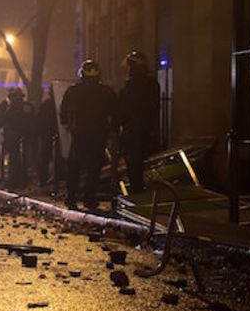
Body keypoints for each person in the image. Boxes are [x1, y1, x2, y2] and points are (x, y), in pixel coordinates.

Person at [59, 59, 117, 211]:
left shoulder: (73, 91)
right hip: (99, 136)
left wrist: (67, 125)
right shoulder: (106, 92)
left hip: (79, 135)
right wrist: (111, 130)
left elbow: (63, 112)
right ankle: (89, 199)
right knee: (94, 169)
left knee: (74, 167)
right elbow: (115, 113)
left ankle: (71, 198)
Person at [117, 51, 161, 194]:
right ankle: (140, 190)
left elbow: (123, 108)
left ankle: (137, 191)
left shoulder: (130, 85)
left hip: (132, 130)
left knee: (133, 163)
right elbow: (154, 107)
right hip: (145, 129)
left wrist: (118, 125)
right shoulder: (152, 83)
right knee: (141, 162)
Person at [0, 87, 34, 189]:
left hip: (15, 137)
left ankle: (15, 181)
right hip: (16, 137)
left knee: (15, 160)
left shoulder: (7, 106)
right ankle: (19, 181)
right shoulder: (24, 106)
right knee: (18, 160)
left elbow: (0, 120)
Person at [36, 87, 59, 187]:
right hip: (48, 135)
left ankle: (46, 180)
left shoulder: (48, 104)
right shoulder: (48, 104)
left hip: (51, 135)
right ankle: (44, 180)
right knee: (46, 158)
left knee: (47, 159)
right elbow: (40, 120)